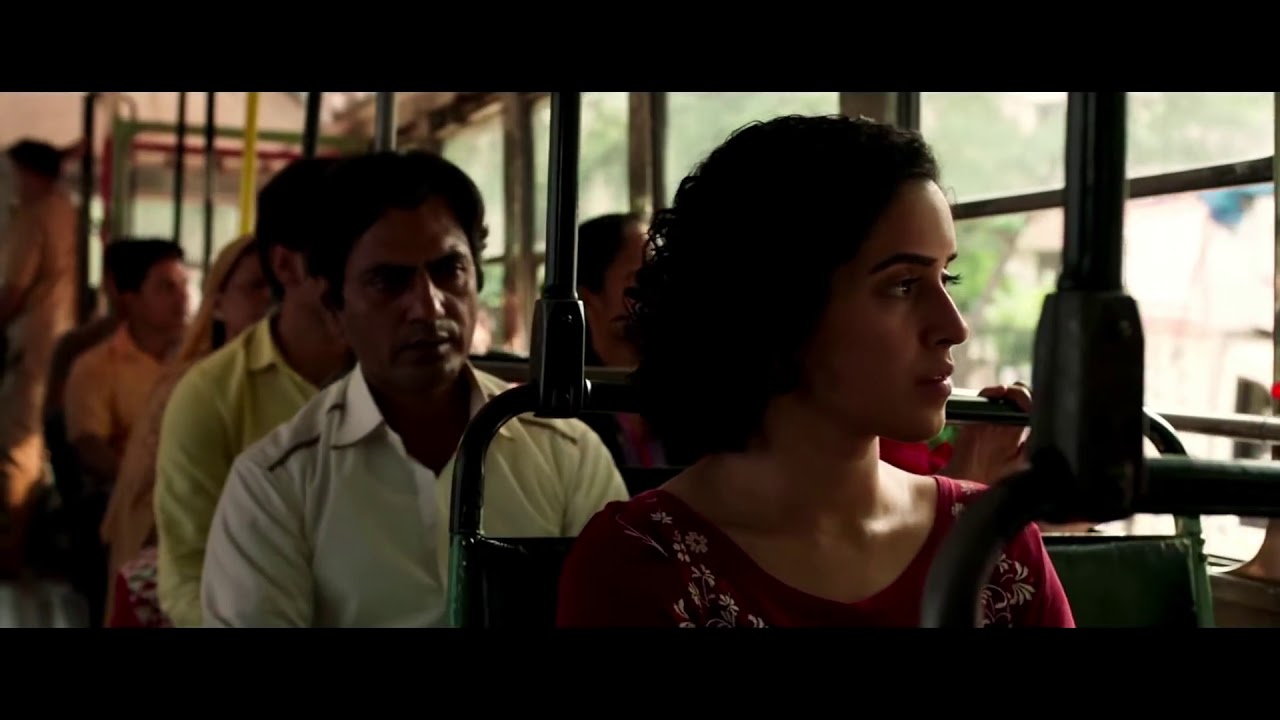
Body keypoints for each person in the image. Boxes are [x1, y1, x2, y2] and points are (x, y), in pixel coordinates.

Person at [555, 115, 1073, 628]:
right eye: (903, 285)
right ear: (779, 307)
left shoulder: (996, 547)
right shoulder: (643, 563)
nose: (954, 327)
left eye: (947, 277)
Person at [200, 151, 629, 628]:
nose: (428, 307)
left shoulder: (566, 455)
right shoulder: (278, 484)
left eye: (449, 270)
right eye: (388, 281)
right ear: (334, 309)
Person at [153, 157, 349, 628]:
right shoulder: (211, 395)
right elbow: (189, 570)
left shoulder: (403, 381)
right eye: (345, 247)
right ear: (286, 265)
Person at [103, 234, 272, 627]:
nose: (271, 300)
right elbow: (152, 508)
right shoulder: (193, 387)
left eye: (280, 288)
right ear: (218, 304)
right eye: (255, 287)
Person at [0, 139, 79, 576]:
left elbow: (13, 290)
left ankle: (12, 552)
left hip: (31, 341)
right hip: (57, 336)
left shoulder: (31, 217)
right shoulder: (66, 211)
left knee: (17, 445)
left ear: (28, 174)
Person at [63, 239, 189, 492]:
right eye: (166, 288)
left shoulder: (205, 354)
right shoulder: (97, 366)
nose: (182, 297)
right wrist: (141, 482)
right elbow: (89, 444)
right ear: (131, 299)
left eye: (183, 284)